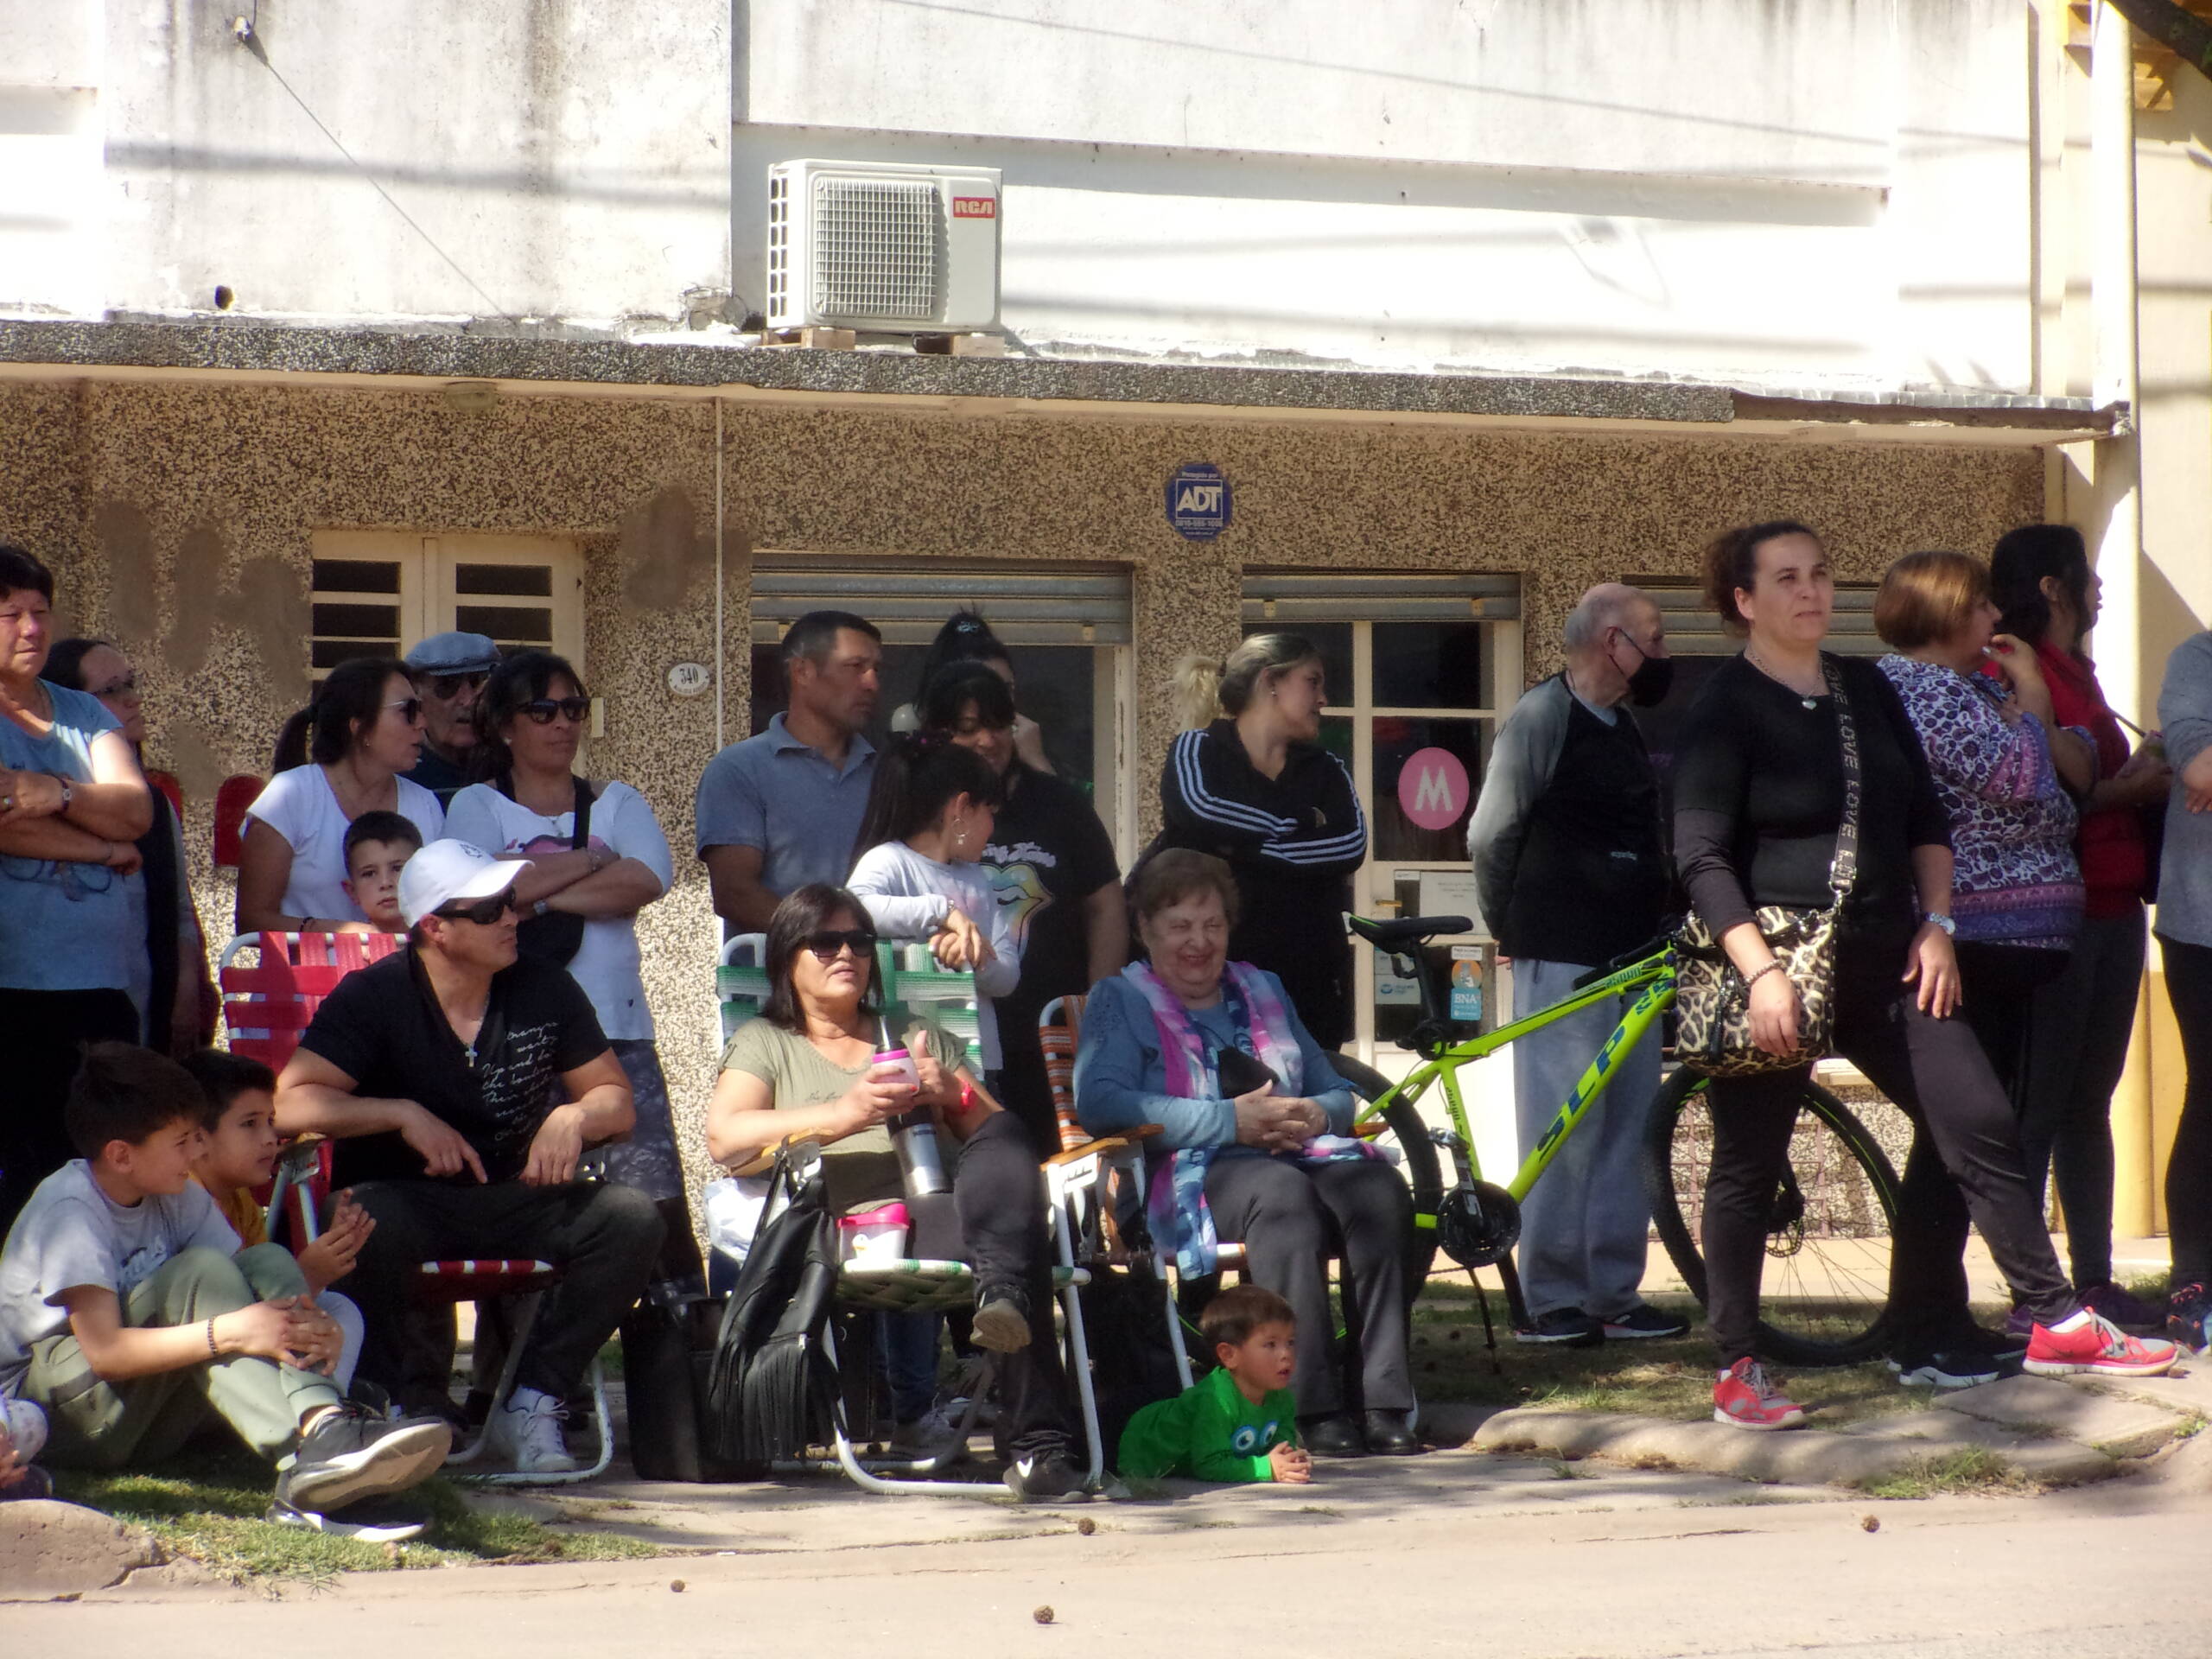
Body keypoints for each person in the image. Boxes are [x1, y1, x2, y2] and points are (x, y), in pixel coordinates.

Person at [1672, 521, 2176, 1432]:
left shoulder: (1862, 687)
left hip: (1889, 953)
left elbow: (1923, 819)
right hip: (1781, 964)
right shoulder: (1722, 707)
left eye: (1820, 574)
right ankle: (1737, 1367)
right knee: (1747, 1165)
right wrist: (1759, 975)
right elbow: (1701, 857)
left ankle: (2052, 1316)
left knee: (1974, 1119)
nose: (1810, 592)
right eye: (1785, 579)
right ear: (1743, 601)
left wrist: (1938, 925)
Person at [270, 840, 663, 1473]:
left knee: (632, 1218)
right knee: (360, 1217)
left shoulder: (544, 985)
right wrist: (400, 1113)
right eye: (489, 910)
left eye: (510, 902)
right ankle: (385, 1405)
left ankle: (533, 1400)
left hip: (518, 1194)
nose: (511, 917)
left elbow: (616, 1101)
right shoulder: (377, 995)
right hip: (404, 1205)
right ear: (435, 928)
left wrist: (573, 1115)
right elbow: (289, 1104)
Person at [703, 885, 1090, 1500]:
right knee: (1015, 1254)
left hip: (941, 1207)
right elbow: (725, 1140)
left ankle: (1002, 1298)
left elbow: (999, 1138)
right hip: (847, 1225)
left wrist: (950, 1094)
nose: (847, 954)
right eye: (825, 942)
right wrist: (842, 1112)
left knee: (1008, 1146)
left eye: (859, 942)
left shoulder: (910, 1032)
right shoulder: (767, 1041)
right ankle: (1041, 1447)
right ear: (786, 959)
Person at [0, 1044, 449, 1522]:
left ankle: (324, 1425)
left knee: (268, 1258)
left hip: (135, 1410)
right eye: (182, 1142)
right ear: (121, 1155)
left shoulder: (174, 1193)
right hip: (52, 1414)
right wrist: (234, 1331)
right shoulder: (72, 1210)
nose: (196, 1152)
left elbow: (251, 1278)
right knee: (201, 1272)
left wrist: (309, 1322)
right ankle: (310, 1459)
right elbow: (107, 1354)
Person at [1073, 849, 1417, 1458]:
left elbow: (1333, 1087)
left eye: (1212, 925)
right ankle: (1311, 1403)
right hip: (1177, 1173)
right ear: (1146, 931)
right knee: (1282, 1198)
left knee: (1378, 1192)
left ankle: (1383, 1398)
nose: (1198, 942)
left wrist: (1315, 1113)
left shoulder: (1264, 988)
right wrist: (1227, 1122)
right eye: (1179, 926)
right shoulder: (1118, 999)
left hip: (1293, 1154)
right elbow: (1101, 1102)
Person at [1872, 551, 2092, 1384]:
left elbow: (2067, 775)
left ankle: (1935, 1320)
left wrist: (2029, 719)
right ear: (1944, 612)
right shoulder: (1918, 689)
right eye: (1979, 606)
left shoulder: (1965, 689)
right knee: (1964, 1137)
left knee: (1954, 1143)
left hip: (2013, 944)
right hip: (1970, 941)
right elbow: (2025, 777)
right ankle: (1936, 1328)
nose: (1993, 619)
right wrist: (2035, 701)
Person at [1466, 583, 1684, 1347]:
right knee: (1564, 1130)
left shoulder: (1623, 725)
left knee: (1626, 1127)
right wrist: (1513, 925)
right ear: (1610, 639)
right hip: (1561, 955)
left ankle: (1611, 1295)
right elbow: (1492, 835)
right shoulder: (1542, 715)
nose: (1663, 655)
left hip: (1634, 958)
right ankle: (1551, 1295)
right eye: (1653, 638)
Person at [445, 650, 696, 1282]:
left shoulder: (617, 799)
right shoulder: (476, 803)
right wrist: (594, 860)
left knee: (653, 1205)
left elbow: (649, 877)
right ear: (505, 725)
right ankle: (525, 1373)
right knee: (523, 1208)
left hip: (617, 1029)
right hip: (512, 1036)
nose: (563, 723)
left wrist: (538, 893)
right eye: (543, 710)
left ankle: (668, 1363)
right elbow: (475, 885)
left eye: (574, 709)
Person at [1991, 525, 2172, 1331]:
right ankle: (2033, 1296)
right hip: (2056, 918)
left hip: (2116, 906)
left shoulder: (2081, 674)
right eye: (2087, 577)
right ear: (2054, 587)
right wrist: (2133, 785)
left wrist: (2131, 778)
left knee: (2088, 1104)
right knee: (2042, 1105)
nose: (2100, 590)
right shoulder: (2018, 670)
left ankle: (2092, 1280)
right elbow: (2049, 792)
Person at [0, 544, 156, 1231]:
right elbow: (5, 829)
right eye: (10, 614)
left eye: (40, 612)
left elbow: (137, 809)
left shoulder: (84, 713)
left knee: (100, 1165)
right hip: (13, 986)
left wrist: (54, 790)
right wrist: (105, 847)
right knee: (23, 1168)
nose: (31, 628)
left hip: (99, 985)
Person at [925, 661, 1124, 1154]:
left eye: (999, 725)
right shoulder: (917, 810)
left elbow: (1106, 905)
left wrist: (1096, 1005)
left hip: (1053, 1034)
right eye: (969, 728)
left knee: (1068, 1171)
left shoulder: (1060, 803)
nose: (988, 741)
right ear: (938, 733)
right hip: (954, 1038)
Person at [1154, 636, 1367, 1049]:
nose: (1324, 698)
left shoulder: (1325, 769)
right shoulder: (1196, 750)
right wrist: (1299, 827)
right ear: (1270, 681)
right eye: (1313, 681)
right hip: (1207, 986)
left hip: (1310, 984)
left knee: (1314, 1109)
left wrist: (1246, 849)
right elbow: (1199, 809)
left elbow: (1350, 844)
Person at [45, 637, 213, 1058]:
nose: (133, 700)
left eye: (130, 684)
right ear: (70, 705)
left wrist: (186, 989)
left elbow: (179, 911)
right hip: (55, 1003)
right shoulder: (40, 796)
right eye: (111, 691)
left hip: (142, 1004)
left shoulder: (153, 801)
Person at [182, 1049, 369, 1394]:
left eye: (270, 1121)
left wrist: (321, 1270)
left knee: (340, 1309)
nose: (270, 1138)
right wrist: (308, 1275)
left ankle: (323, 1412)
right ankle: (316, 1418)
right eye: (250, 1124)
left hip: (248, 1341)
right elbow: (234, 1314)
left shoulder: (239, 1198)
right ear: (198, 1138)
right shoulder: (182, 1198)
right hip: (202, 1361)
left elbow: (268, 1300)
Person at [848, 730, 1020, 1081]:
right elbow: (854, 910)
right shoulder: (890, 861)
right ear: (961, 808)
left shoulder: (978, 880)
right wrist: (942, 912)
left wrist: (974, 954)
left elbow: (1009, 977)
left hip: (980, 1062)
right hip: (911, 1059)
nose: (992, 828)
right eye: (989, 812)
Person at [697, 610, 882, 933]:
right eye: (855, 667)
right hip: (771, 979)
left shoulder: (886, 770)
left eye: (875, 670)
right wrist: (827, 941)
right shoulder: (739, 769)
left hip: (872, 976)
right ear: (803, 671)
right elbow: (734, 893)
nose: (872, 684)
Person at [236, 656, 444, 937]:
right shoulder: (290, 795)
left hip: (401, 976)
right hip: (305, 977)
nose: (421, 723)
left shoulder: (425, 804)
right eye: (408, 710)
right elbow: (251, 921)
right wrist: (338, 933)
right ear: (359, 725)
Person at [2154, 629, 2212, 1351]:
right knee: (2211, 1099)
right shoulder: (2198, 659)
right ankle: (2193, 1284)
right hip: (2204, 932)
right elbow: (2199, 763)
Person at [1117, 1283, 1308, 1484]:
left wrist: (1291, 1461)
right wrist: (1267, 1468)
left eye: (1290, 1342)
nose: (1286, 1354)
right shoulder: (1215, 1401)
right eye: (1271, 1344)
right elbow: (1209, 1465)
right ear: (1229, 1355)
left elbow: (1280, 1447)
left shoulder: (1281, 1397)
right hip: (1138, 1445)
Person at [892, 609, 1053, 774]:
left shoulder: (1028, 749)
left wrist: (1036, 763)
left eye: (1006, 689)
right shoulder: (917, 774)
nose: (997, 700)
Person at [402, 632, 501, 807]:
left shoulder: (513, 767)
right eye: (448, 686)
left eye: (478, 683)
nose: (468, 700)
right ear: (416, 693)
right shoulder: (399, 774)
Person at [340, 810, 422, 932]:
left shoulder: (448, 948)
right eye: (369, 873)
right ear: (352, 891)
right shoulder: (340, 952)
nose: (385, 883)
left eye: (397, 868)